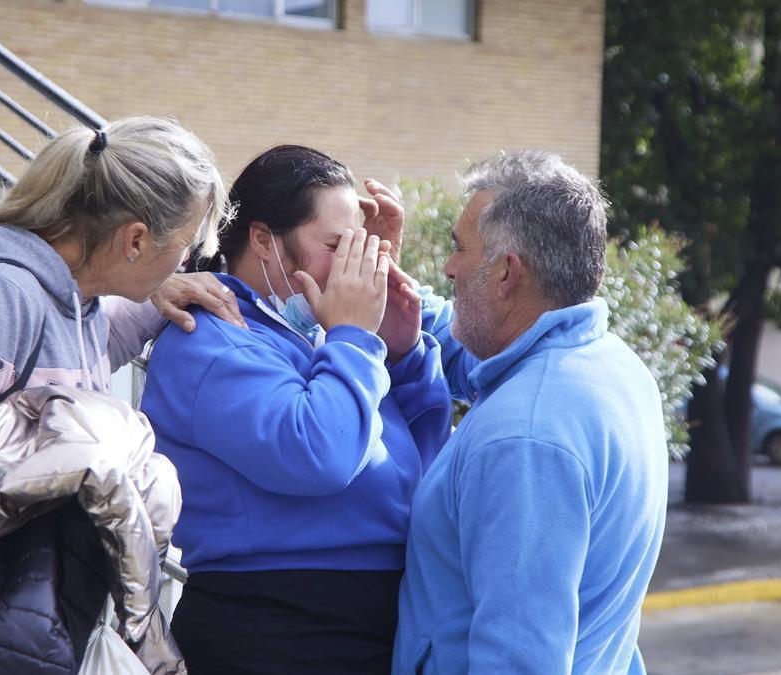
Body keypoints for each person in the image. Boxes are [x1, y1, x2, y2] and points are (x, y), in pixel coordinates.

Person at [140, 145, 452, 674]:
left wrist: (402, 352)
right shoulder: (208, 340)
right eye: (337, 245)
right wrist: (353, 337)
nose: (358, 264)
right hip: (276, 624)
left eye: (361, 245)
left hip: (369, 616)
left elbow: (420, 468)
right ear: (264, 240)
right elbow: (320, 455)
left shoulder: (314, 333)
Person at [392, 151, 669, 674]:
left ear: (504, 274)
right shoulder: (614, 367)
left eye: (459, 249)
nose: (448, 267)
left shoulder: (525, 436)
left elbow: (518, 660)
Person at [0, 116, 234, 475]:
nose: (186, 261)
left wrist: (164, 292)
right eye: (186, 244)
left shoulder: (78, 300)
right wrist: (68, 456)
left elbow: (80, 349)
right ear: (135, 240)